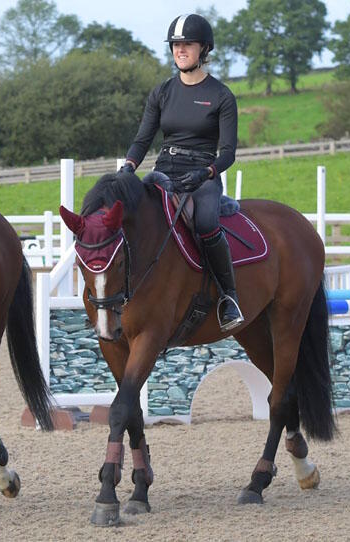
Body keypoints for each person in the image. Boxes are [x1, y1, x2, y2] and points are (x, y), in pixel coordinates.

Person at [119, 13, 243, 331]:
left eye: (187, 44)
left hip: (202, 176)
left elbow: (228, 152)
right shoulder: (161, 93)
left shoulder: (221, 96)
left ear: (204, 49)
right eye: (176, 44)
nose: (180, 49)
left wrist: (206, 173)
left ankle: (229, 297)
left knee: (205, 222)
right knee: (132, 215)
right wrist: (128, 168)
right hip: (164, 171)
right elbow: (142, 139)